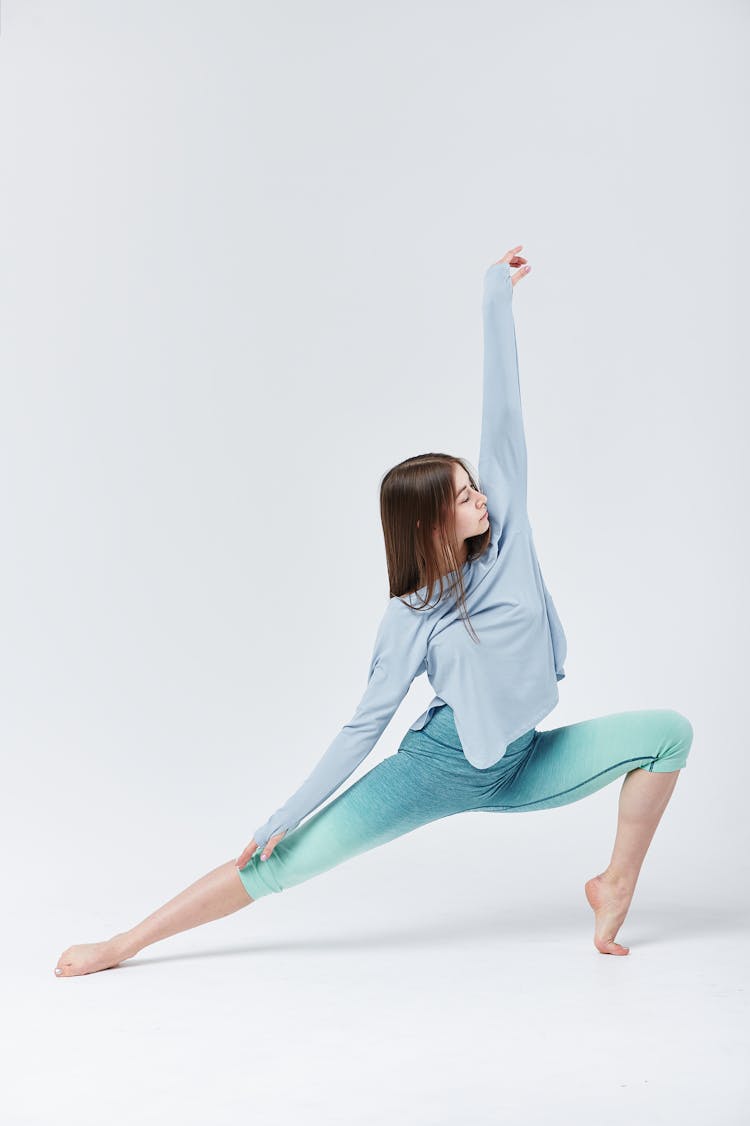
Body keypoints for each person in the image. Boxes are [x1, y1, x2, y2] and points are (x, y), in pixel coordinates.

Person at [54, 245, 693, 976]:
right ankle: (122, 945)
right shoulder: (410, 618)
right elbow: (364, 725)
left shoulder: (507, 532)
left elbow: (504, 410)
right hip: (437, 770)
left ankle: (615, 885)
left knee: (667, 737)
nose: (480, 496)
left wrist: (494, 298)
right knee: (279, 866)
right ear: (427, 525)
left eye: (473, 484)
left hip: (521, 761)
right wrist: (284, 816)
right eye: (461, 495)